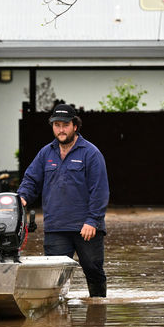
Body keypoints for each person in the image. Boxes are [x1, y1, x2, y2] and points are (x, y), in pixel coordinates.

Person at [17, 103, 109, 297]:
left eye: (65, 125)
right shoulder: (45, 153)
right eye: (56, 125)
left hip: (86, 229)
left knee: (93, 271)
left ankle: (98, 310)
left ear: (75, 126)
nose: (61, 129)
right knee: (54, 276)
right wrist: (22, 197)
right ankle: (57, 318)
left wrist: (92, 220)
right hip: (56, 227)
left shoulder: (91, 153)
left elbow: (99, 191)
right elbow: (31, 179)